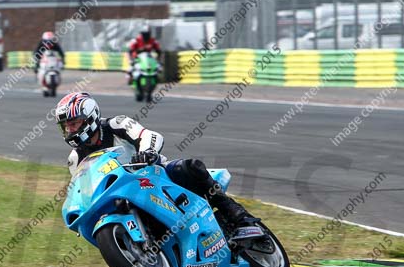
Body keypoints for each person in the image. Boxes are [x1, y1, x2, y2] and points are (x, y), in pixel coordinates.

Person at [55, 92, 255, 232]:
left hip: (152, 173)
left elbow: (149, 135)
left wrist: (147, 153)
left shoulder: (117, 124)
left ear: (90, 118)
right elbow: (82, 189)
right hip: (120, 194)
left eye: (74, 123)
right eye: (66, 126)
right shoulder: (74, 160)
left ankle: (236, 214)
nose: (70, 130)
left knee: (190, 167)